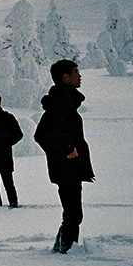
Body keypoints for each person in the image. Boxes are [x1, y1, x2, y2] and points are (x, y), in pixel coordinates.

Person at [34, 59, 95, 253]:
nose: (80, 76)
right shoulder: (62, 99)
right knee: (73, 214)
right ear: (65, 77)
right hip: (67, 167)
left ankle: (64, 248)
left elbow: (44, 134)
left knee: (72, 213)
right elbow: (44, 132)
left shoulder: (64, 98)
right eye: (76, 72)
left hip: (68, 167)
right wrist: (67, 150)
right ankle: (65, 251)